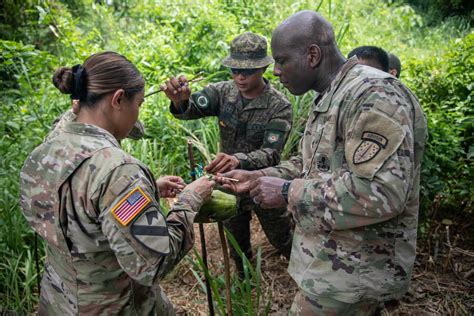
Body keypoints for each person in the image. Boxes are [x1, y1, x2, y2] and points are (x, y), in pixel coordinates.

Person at [218, 11, 427, 315]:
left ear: (312, 55)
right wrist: (257, 177)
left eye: (282, 60)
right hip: (332, 268)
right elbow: (312, 166)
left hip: (355, 276)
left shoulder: (374, 95)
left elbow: (382, 193)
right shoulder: (332, 95)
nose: (275, 71)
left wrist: (288, 192)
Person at [19, 51, 215, 315]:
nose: (137, 114)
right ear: (118, 99)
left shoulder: (52, 144)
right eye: (140, 104)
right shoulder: (119, 173)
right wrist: (190, 200)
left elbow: (78, 206)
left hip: (58, 302)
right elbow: (154, 262)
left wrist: (147, 191)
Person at [161, 32, 294, 275]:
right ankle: (246, 281)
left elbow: (272, 154)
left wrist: (238, 159)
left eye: (248, 71)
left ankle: (302, 273)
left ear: (264, 68)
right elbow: (190, 108)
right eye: (234, 70)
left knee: (282, 238)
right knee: (237, 242)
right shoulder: (222, 92)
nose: (240, 77)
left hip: (262, 181)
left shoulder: (279, 106)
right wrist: (180, 101)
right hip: (228, 183)